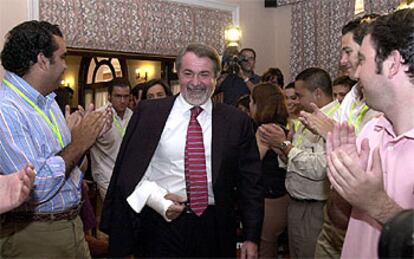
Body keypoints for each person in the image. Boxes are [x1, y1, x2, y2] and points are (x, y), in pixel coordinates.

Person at [101, 43, 264, 258]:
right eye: (188, 73)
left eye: (204, 74)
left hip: (216, 226)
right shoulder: (149, 114)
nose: (196, 82)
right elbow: (129, 174)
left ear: (217, 77)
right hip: (160, 225)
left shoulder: (237, 121)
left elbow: (250, 183)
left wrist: (251, 237)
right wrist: (158, 200)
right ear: (179, 73)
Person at [0, 20, 110, 258]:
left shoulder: (48, 103)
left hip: (71, 225)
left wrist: (84, 139)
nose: (65, 66)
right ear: (42, 60)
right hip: (34, 235)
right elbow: (36, 186)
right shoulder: (6, 110)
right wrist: (78, 142)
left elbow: (74, 169)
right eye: (62, 57)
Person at [326, 9, 414, 258]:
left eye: (362, 60)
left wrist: (376, 203)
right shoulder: (371, 131)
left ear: (393, 63)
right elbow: (340, 220)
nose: (356, 71)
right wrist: (343, 182)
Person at [259, 67, 339, 258]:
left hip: (315, 207)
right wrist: (281, 149)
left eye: (300, 95)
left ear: (317, 93)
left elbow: (321, 168)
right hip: (297, 203)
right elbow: (295, 159)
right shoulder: (308, 116)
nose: (297, 101)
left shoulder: (334, 119)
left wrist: (286, 146)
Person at [250, 83, 289, 259]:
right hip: (283, 196)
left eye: (252, 101)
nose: (250, 106)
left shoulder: (265, 130)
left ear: (260, 104)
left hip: (270, 199)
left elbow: (252, 164)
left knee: (266, 247)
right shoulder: (282, 127)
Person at [90, 77, 133, 200]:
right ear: (109, 96)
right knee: (113, 215)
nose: (123, 101)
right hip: (105, 176)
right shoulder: (99, 116)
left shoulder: (132, 115)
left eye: (126, 96)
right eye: (118, 96)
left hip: (127, 176)